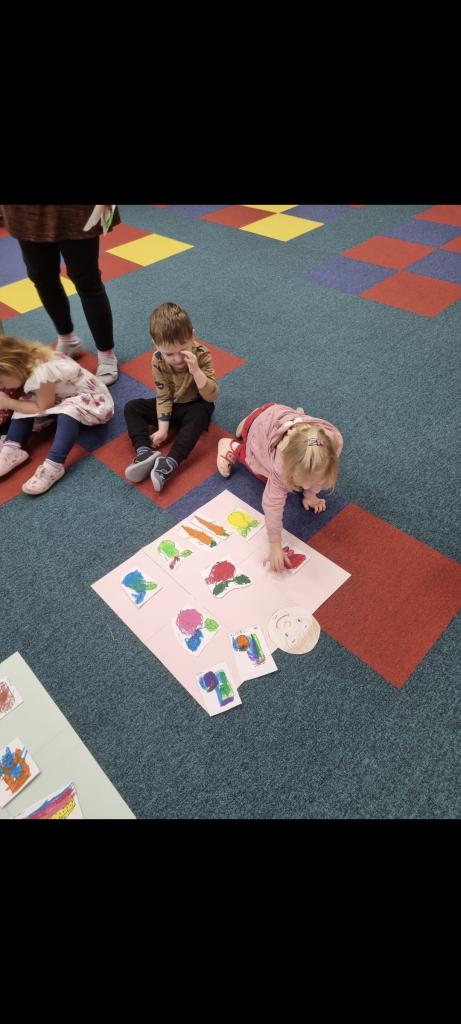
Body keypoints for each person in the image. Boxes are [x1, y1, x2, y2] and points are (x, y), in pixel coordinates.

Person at [0, 204, 121, 385]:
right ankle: (67, 338)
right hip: (26, 212)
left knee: (87, 280)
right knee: (41, 276)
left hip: (75, 210)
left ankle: (106, 354)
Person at [217, 402, 343, 572]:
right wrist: (275, 544)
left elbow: (319, 473)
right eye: (301, 481)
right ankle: (234, 446)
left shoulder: (331, 445)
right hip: (261, 429)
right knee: (263, 473)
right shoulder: (280, 463)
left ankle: (251, 420)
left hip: (275, 413)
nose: (305, 486)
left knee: (295, 479)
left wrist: (310, 495)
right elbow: (272, 504)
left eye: (312, 481)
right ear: (288, 466)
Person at [0, 335, 114, 494]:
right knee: (23, 403)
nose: (3, 388)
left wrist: (9, 403)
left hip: (91, 400)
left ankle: (54, 465)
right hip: (58, 396)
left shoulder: (41, 372)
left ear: (12, 367)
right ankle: (11, 449)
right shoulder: (27, 363)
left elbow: (42, 406)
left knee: (67, 411)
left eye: (1, 382)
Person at [124, 302, 218, 491]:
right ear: (155, 344)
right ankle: (144, 452)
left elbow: (211, 396)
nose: (177, 359)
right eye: (169, 354)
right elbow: (163, 395)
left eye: (182, 350)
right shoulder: (157, 359)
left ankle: (169, 463)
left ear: (192, 336)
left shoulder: (201, 354)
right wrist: (163, 429)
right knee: (132, 407)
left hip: (196, 404)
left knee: (201, 413)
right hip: (172, 405)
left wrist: (196, 371)